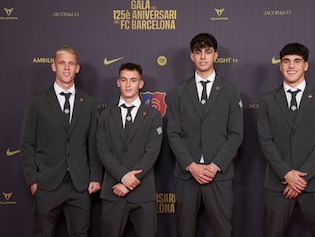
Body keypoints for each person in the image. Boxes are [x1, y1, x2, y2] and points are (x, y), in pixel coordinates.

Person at [20, 45, 103, 236]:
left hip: (79, 185)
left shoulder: (89, 103)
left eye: (71, 63)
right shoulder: (37, 103)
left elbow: (93, 144)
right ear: (53, 66)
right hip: (47, 184)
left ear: (77, 68)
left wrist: (95, 177)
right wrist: (33, 181)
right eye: (62, 63)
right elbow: (27, 145)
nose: (67, 68)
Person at [167, 33, 244, 237]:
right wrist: (191, 166)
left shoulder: (230, 91)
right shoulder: (178, 93)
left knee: (223, 231)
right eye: (198, 52)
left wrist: (214, 166)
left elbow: (236, 134)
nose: (203, 57)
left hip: (219, 175)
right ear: (191, 56)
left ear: (215, 55)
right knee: (184, 231)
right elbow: (173, 134)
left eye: (208, 52)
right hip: (187, 176)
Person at [257, 43, 315, 236]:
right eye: (286, 61)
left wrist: (301, 178)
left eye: (297, 61)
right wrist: (286, 173)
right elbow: (266, 141)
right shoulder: (267, 100)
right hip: (279, 183)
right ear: (280, 66)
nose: (291, 66)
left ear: (306, 66)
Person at [97, 62, 163, 237]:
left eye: (133, 80)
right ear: (118, 82)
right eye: (124, 80)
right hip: (113, 191)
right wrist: (123, 176)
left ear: (140, 84)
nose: (128, 85)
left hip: (143, 192)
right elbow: (103, 150)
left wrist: (131, 180)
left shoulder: (153, 115)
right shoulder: (105, 116)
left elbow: (152, 152)